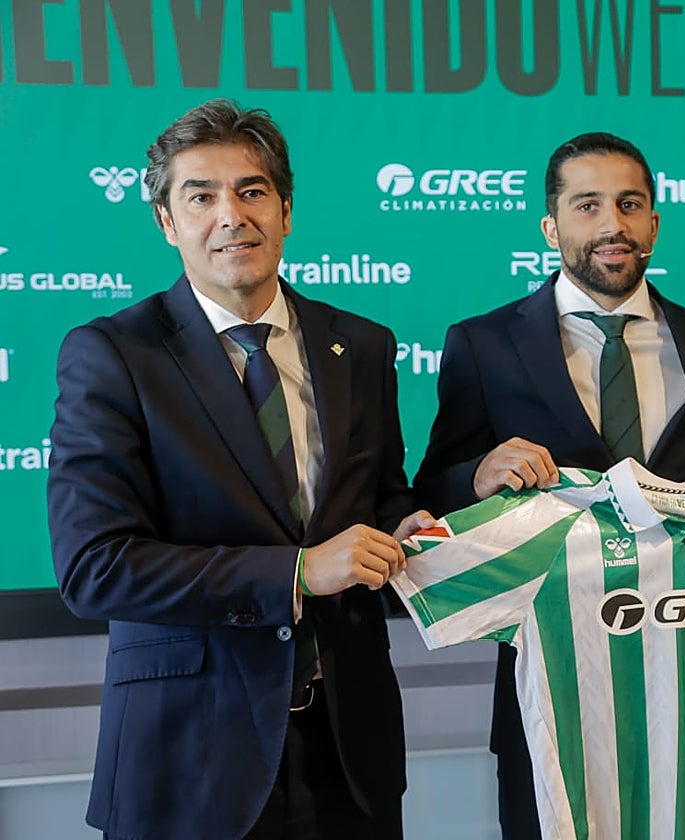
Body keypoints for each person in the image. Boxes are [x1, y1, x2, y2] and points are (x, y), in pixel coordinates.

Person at [47, 99, 431, 840]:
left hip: (350, 755)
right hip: (189, 758)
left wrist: (404, 525)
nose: (232, 215)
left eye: (253, 191)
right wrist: (294, 572)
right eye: (201, 195)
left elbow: (379, 495)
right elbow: (95, 567)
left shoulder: (363, 345)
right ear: (167, 221)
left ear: (286, 209)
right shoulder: (114, 356)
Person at [413, 131, 685, 837]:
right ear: (551, 226)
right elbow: (429, 496)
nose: (612, 225)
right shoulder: (482, 344)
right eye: (588, 204)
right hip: (553, 689)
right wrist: (475, 476)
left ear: (654, 223)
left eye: (630, 205)